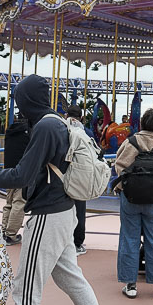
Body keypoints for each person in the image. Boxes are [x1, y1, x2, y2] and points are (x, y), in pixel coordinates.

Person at [0, 75, 100, 305]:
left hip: (48, 215)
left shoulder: (45, 127)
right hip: (63, 210)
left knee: (26, 288)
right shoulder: (56, 122)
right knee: (71, 279)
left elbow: (22, 175)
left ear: (26, 100)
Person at [113, 108, 153, 299]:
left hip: (130, 198)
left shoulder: (130, 142)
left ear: (142, 123)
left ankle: (131, 285)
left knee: (129, 239)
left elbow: (118, 166)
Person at [1, 113, 30, 245]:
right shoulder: (29, 132)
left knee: (9, 202)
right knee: (19, 202)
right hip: (22, 170)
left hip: (8, 169)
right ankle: (11, 234)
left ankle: (4, 230)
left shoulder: (10, 130)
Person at [64, 105, 89, 255]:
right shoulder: (87, 132)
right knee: (79, 209)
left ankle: (63, 239)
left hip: (63, 173)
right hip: (80, 175)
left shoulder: (61, 129)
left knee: (62, 207)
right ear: (81, 117)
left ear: (67, 115)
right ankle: (77, 242)